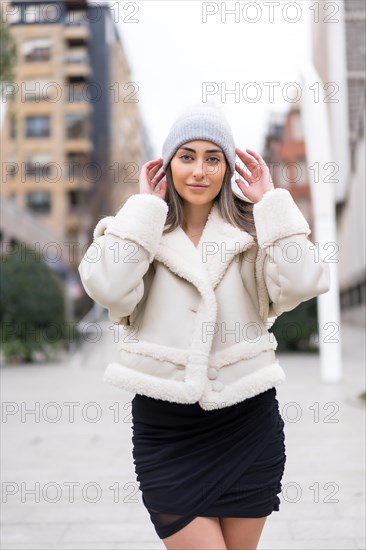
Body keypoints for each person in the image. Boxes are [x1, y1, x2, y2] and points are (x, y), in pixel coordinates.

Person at [78, 104, 330, 549]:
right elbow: (110, 289)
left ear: (228, 166)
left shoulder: (255, 232)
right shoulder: (134, 231)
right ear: (166, 165)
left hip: (247, 425)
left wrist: (271, 203)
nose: (200, 170)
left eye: (213, 158)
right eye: (187, 156)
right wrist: (143, 211)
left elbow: (305, 281)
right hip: (167, 431)